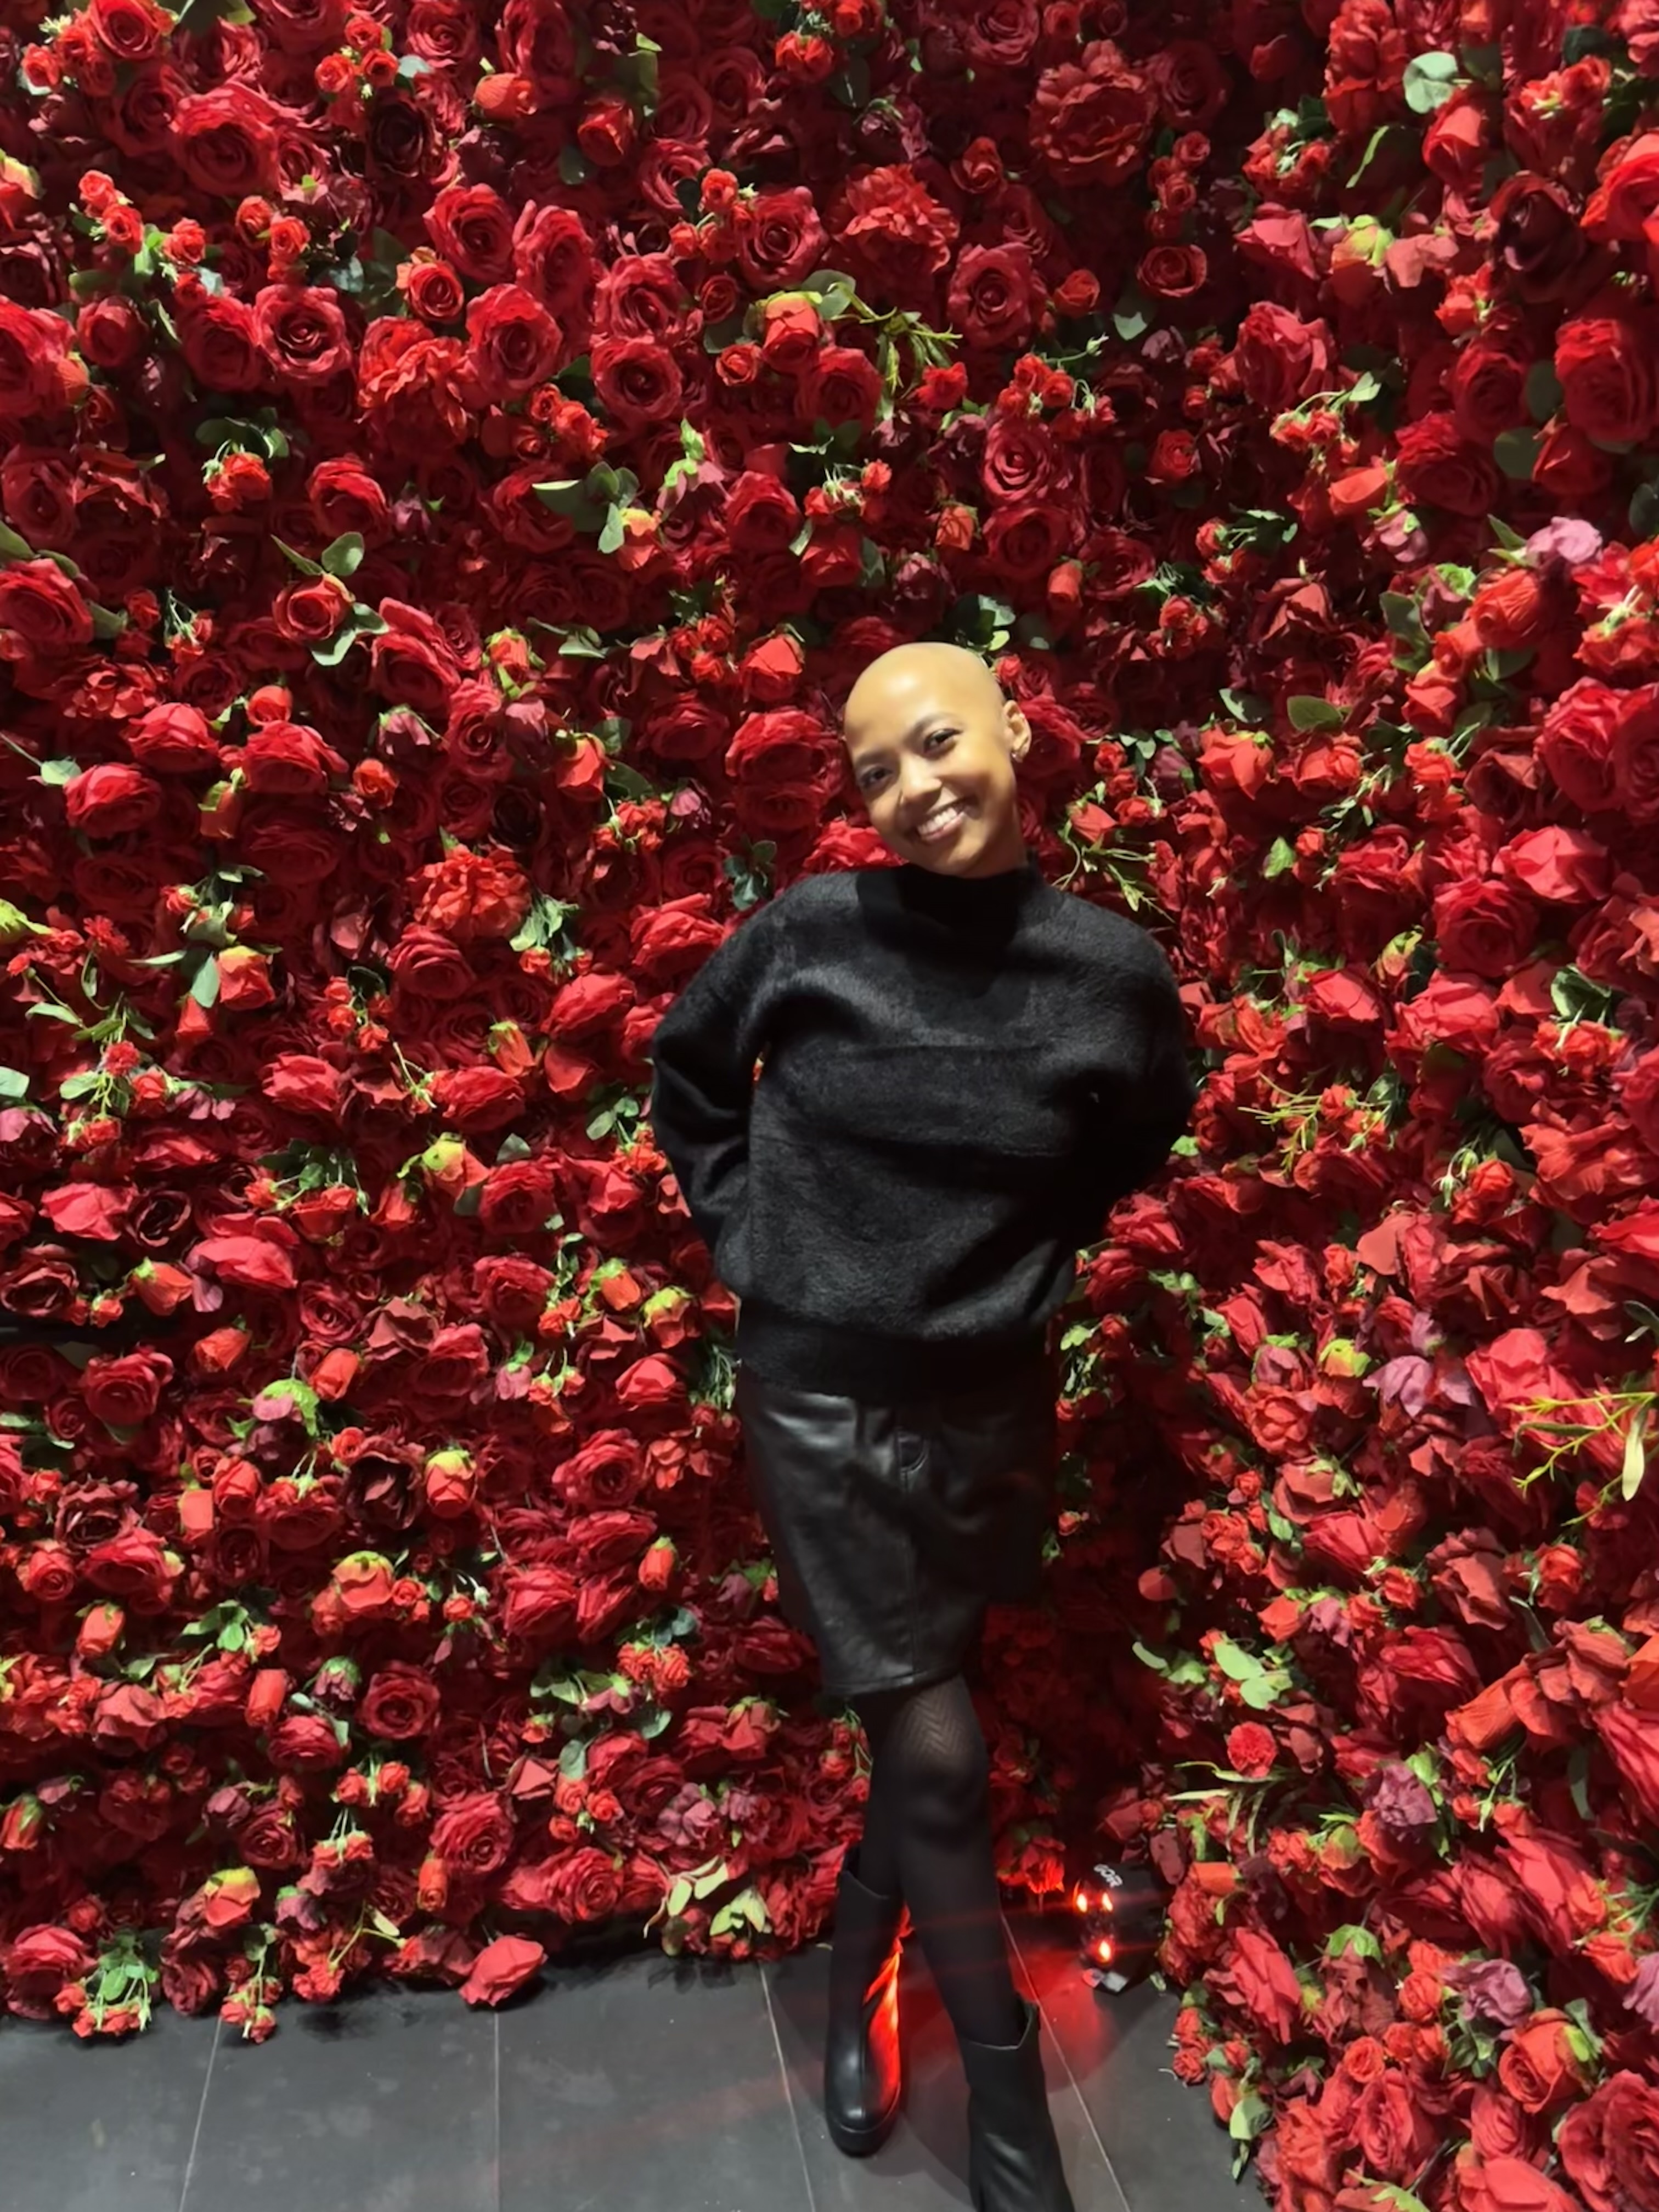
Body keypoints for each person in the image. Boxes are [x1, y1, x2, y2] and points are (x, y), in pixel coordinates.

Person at [647, 641, 1195, 2211]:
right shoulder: (817, 928)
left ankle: (855, 1961)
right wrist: (758, 1247)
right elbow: (689, 1074)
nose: (913, 788)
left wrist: (1024, 1260)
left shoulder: (1111, 971)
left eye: (938, 744)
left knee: (920, 1738)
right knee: (942, 1750)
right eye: (876, 771)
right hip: (818, 1389)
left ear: (1017, 729)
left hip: (989, 1396)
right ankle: (1008, 2092)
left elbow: (1135, 1140)